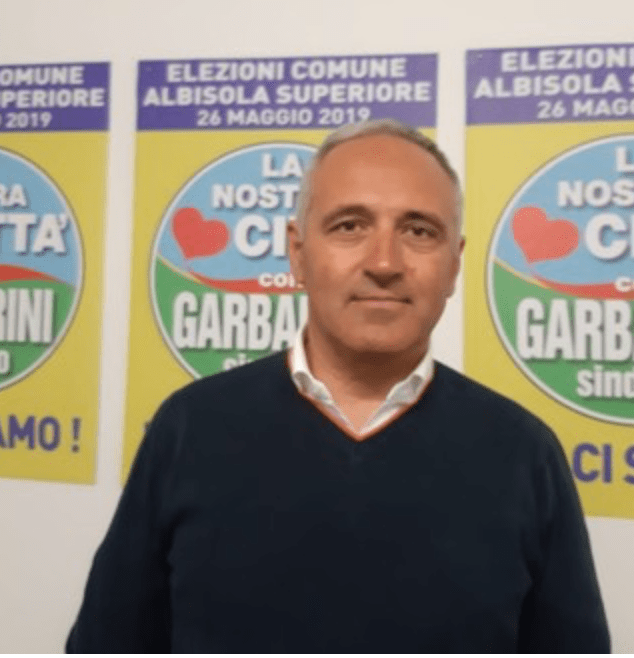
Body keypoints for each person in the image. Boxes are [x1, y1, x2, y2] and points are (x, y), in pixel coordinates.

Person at [67, 119, 610, 652]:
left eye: (419, 231)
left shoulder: (524, 454)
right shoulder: (190, 428)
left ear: (453, 266)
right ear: (297, 253)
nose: (384, 262)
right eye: (350, 226)